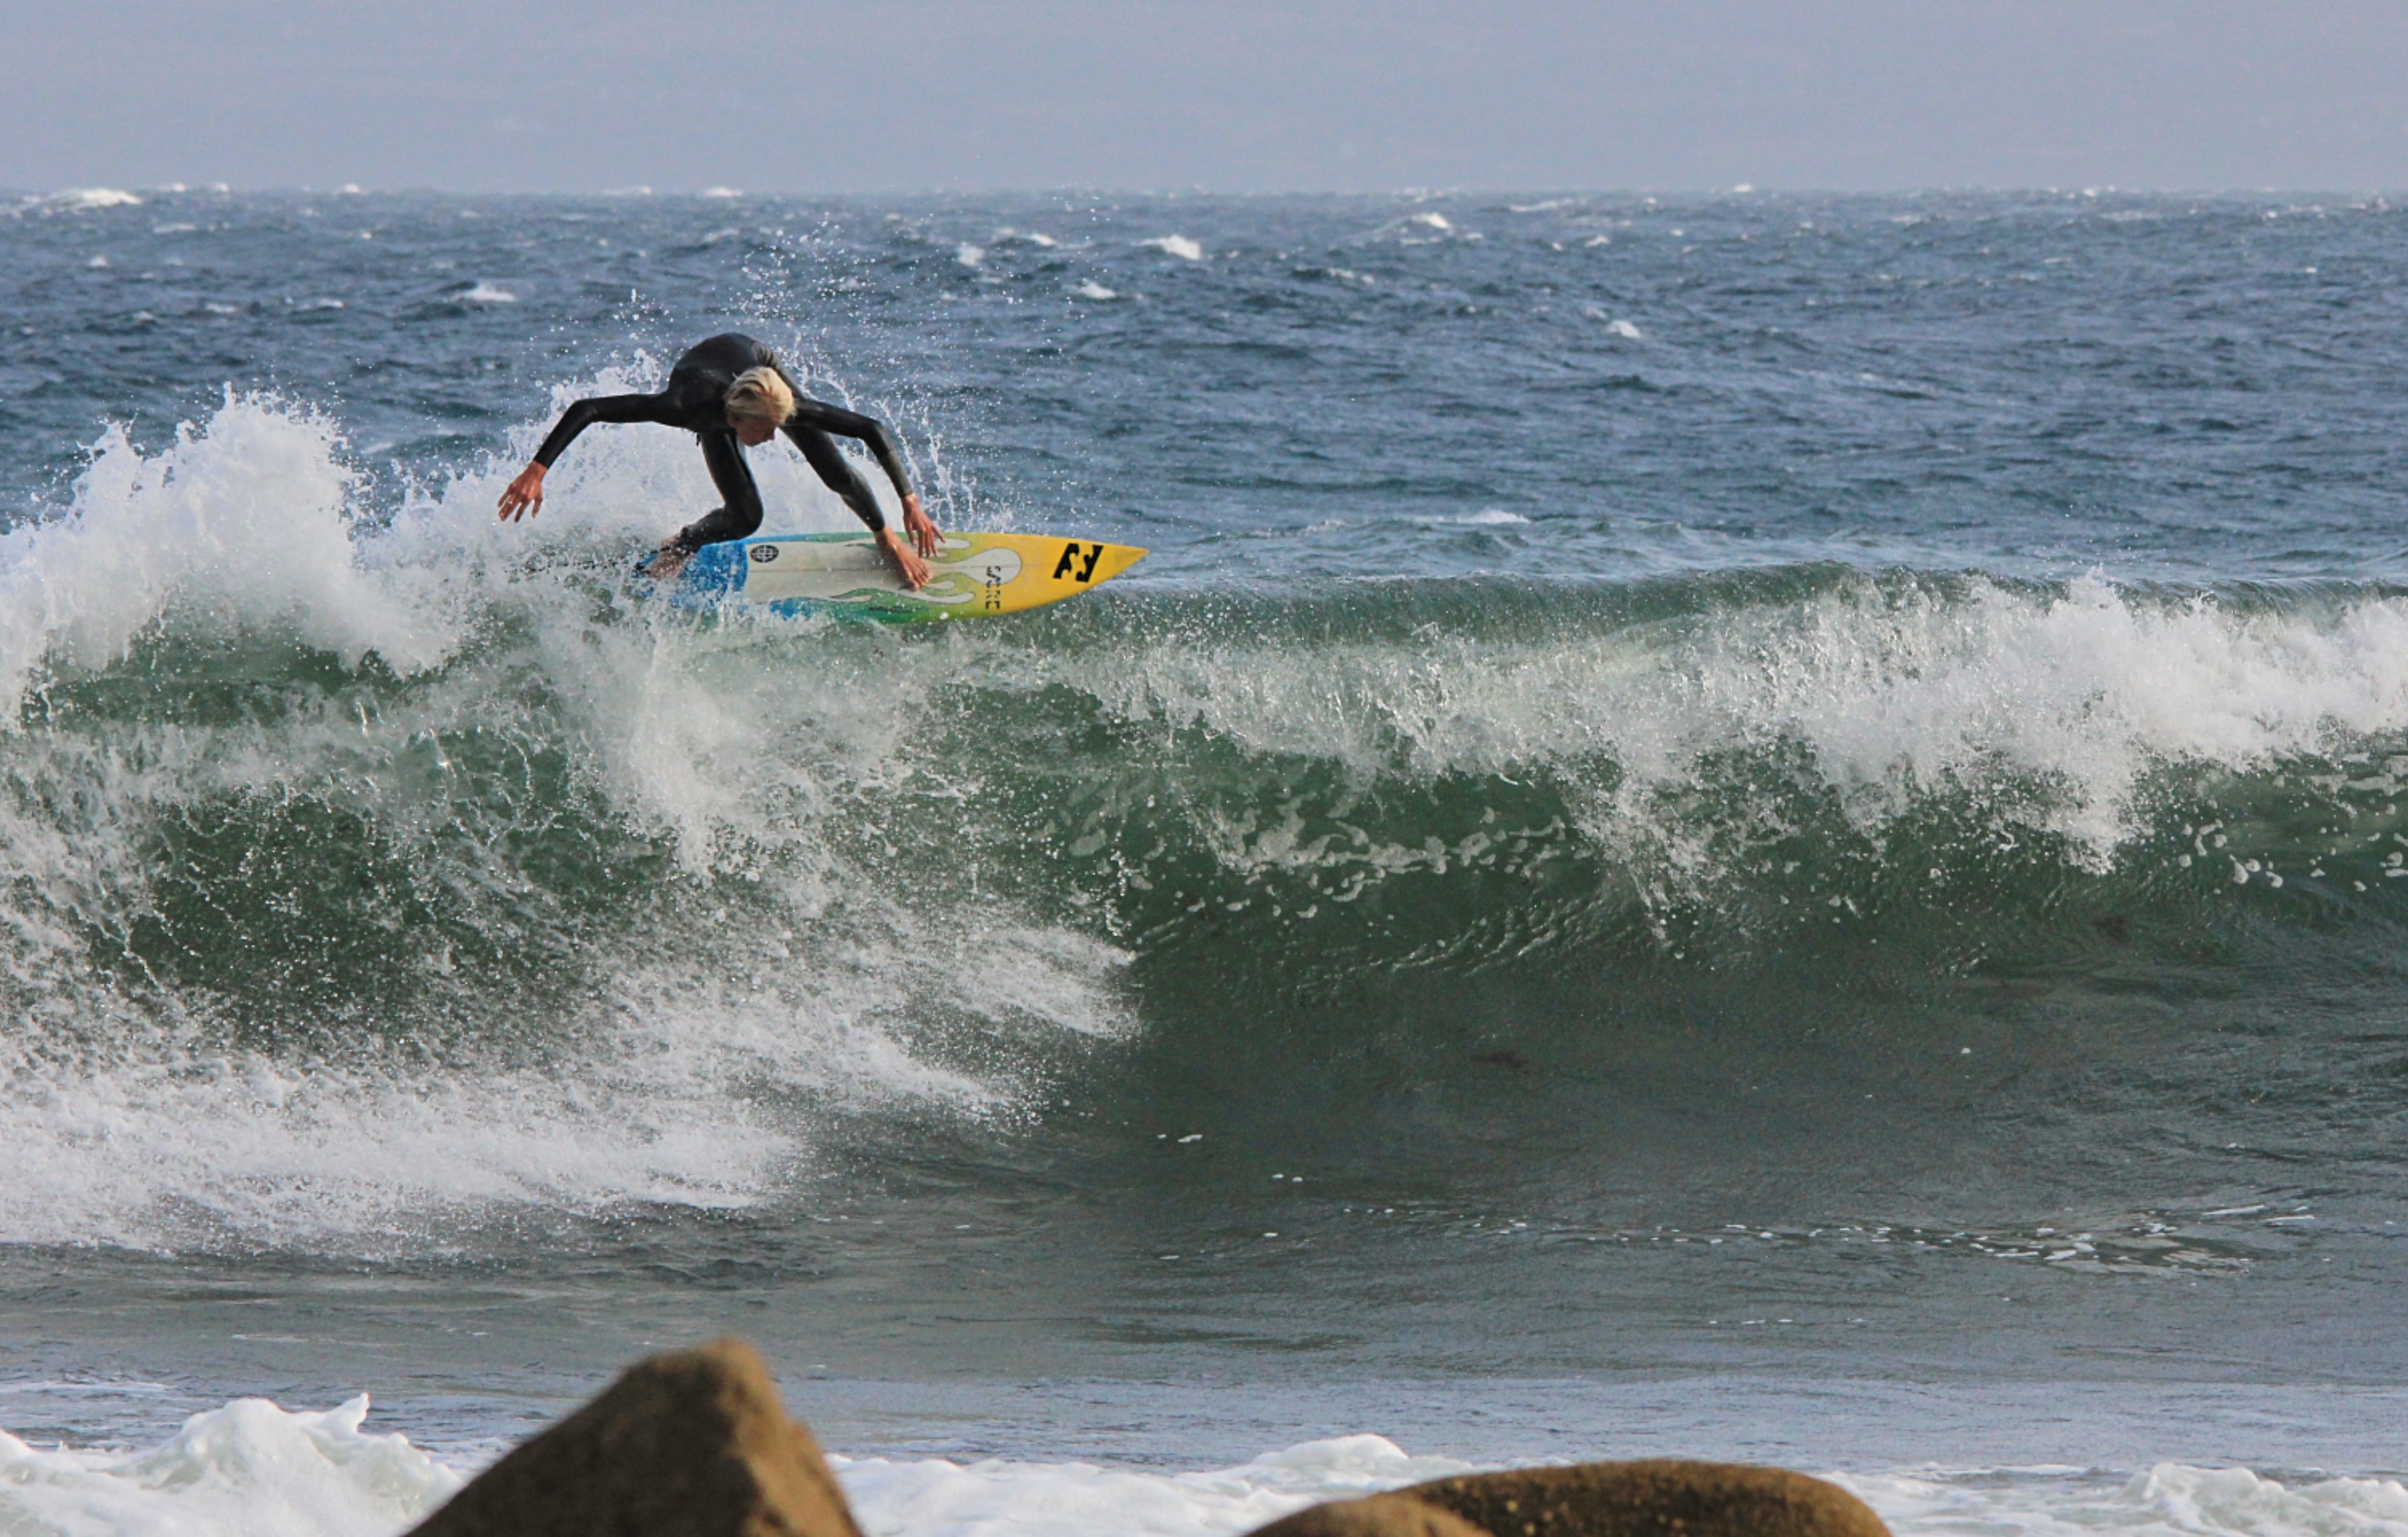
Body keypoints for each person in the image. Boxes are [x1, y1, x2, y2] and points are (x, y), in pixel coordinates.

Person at [496, 333, 940, 586]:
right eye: (766, 431)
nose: (772, 438)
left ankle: (884, 538)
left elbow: (871, 429)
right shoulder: (681, 408)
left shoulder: (772, 403)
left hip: (756, 364)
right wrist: (536, 470)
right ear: (735, 420)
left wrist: (909, 501)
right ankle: (682, 544)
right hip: (711, 393)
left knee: (834, 470)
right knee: (746, 518)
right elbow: (588, 409)